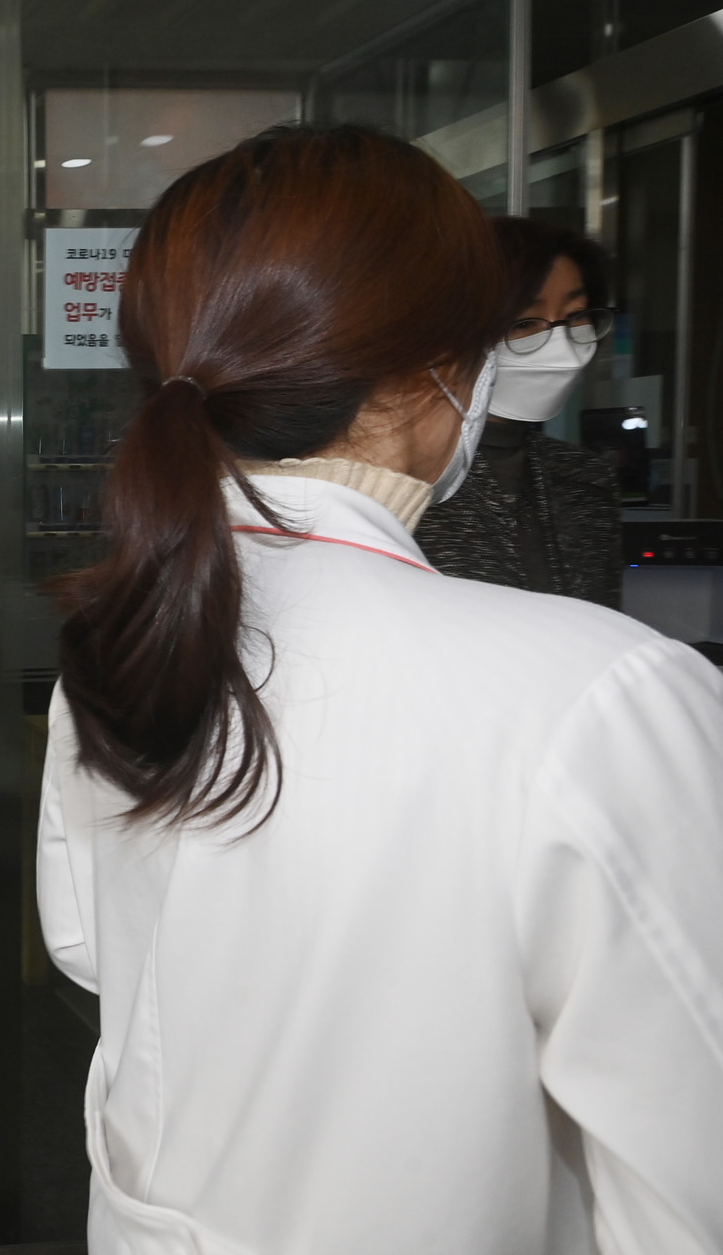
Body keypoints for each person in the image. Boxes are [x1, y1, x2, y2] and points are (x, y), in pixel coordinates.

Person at [35, 126, 723, 1251]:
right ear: (427, 374)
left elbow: (92, 950)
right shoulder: (600, 695)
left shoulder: (124, 640)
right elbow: (688, 1176)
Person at [415, 217, 622, 605]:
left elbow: (605, 624)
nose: (560, 343)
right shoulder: (410, 480)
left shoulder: (586, 479)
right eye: (526, 323)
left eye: (576, 316)